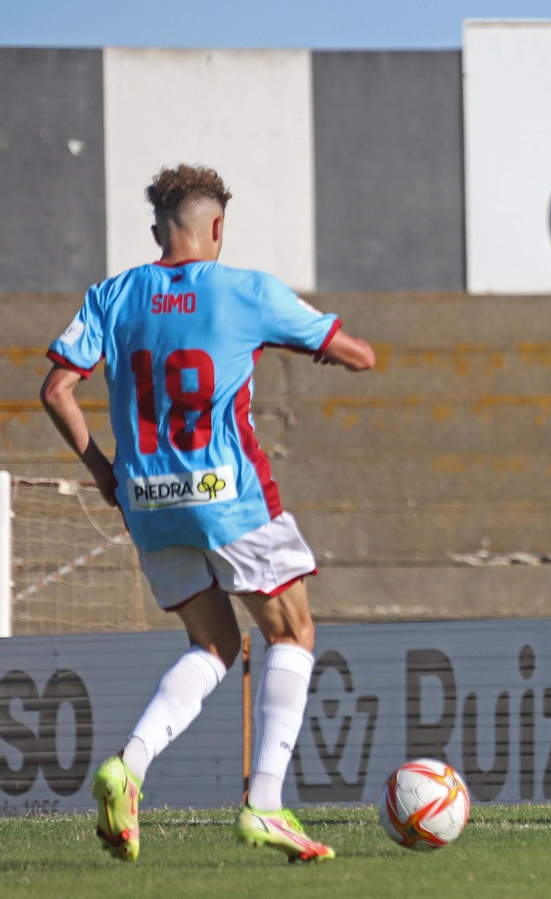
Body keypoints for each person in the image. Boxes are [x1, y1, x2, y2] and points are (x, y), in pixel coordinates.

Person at [39, 164, 375, 863]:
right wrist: (329, 351)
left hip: (149, 503)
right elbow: (357, 354)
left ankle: (128, 766)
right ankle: (265, 804)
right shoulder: (245, 290)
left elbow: (56, 389)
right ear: (216, 227)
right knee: (293, 632)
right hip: (231, 498)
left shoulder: (112, 295)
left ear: (158, 228)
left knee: (216, 646)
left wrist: (106, 473)